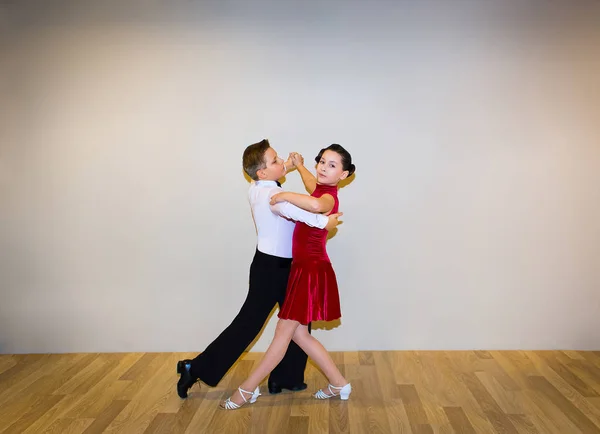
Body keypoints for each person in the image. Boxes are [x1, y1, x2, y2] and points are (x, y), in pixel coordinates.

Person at [176, 139, 342, 399]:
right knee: (249, 325)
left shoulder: (258, 185)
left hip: (284, 265)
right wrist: (326, 222)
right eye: (276, 161)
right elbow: (307, 214)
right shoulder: (272, 196)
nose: (282, 163)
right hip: (272, 269)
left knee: (299, 323)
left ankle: (286, 379)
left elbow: (281, 172)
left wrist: (292, 164)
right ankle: (194, 368)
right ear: (263, 172)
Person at [220, 144, 356, 410]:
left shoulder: (327, 198)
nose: (323, 168)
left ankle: (247, 390)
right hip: (303, 268)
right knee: (301, 336)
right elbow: (311, 184)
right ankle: (339, 383)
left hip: (310, 270)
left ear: (343, 175)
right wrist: (301, 166)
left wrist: (285, 195)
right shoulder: (320, 185)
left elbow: (316, 204)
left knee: (282, 334)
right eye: (322, 162)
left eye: (332, 165)